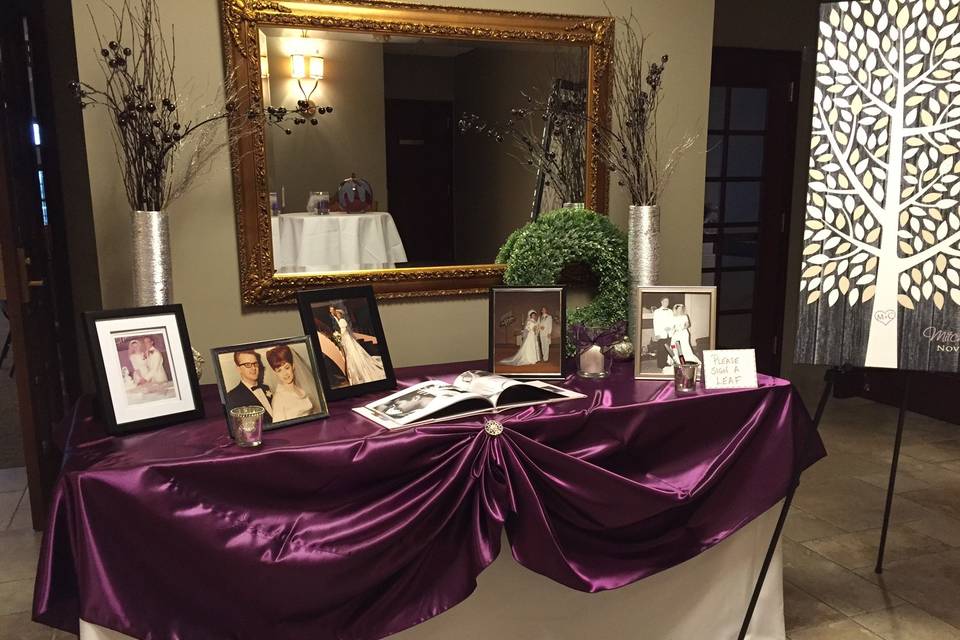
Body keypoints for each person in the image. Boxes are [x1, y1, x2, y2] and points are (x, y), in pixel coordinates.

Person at [330, 306, 386, 385]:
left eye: (338, 314)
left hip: (346, 337)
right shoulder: (339, 320)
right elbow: (338, 323)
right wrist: (333, 316)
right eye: (337, 314)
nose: (338, 315)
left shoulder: (342, 320)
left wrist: (339, 335)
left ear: (341, 315)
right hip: (345, 338)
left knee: (352, 351)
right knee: (349, 352)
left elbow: (343, 329)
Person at [265, 344, 315, 422]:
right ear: (275, 373)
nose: (285, 374)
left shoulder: (301, 389)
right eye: (279, 370)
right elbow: (280, 428)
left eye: (287, 367)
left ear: (293, 366)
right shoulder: (279, 399)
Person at [226, 350, 274, 424]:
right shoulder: (232, 397)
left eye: (255, 363)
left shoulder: (266, 388)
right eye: (248, 365)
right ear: (238, 368)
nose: (254, 368)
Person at [652, 297, 675, 369]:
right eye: (665, 301)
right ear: (661, 302)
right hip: (661, 333)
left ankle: (666, 362)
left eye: (667, 301)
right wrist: (657, 334)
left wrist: (670, 328)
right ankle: (660, 364)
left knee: (668, 349)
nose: (666, 303)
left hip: (670, 333)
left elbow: (673, 321)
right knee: (661, 349)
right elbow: (655, 323)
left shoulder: (671, 311)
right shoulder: (657, 311)